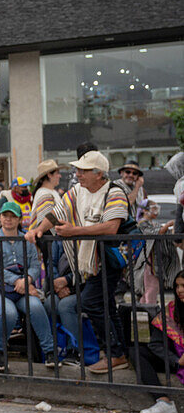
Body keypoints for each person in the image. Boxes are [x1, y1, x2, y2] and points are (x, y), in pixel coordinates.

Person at [26, 150, 131, 374]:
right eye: (78, 170)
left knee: (92, 302)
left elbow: (111, 227)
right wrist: (38, 229)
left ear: (99, 174)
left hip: (109, 259)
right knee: (106, 305)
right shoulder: (76, 192)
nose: (78, 174)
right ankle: (119, 353)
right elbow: (56, 213)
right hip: (89, 261)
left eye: (83, 170)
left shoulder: (115, 192)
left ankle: (115, 352)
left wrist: (74, 231)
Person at [0, 201, 58, 370]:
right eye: (5, 216)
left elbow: (35, 265)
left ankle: (50, 351)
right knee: (8, 312)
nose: (8, 220)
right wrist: (18, 281)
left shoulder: (27, 239)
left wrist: (27, 280)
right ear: (0, 217)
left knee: (37, 307)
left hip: (21, 289)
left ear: (19, 220)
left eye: (12, 217)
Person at [136, 270, 184, 413]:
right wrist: (176, 360)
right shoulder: (171, 310)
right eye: (177, 286)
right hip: (176, 360)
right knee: (136, 352)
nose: (179, 290)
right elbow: (155, 344)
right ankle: (164, 402)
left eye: (183, 285)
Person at [29, 159, 61, 232]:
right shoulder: (43, 194)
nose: (59, 176)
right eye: (57, 173)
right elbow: (47, 222)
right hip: (50, 239)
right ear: (49, 175)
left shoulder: (53, 192)